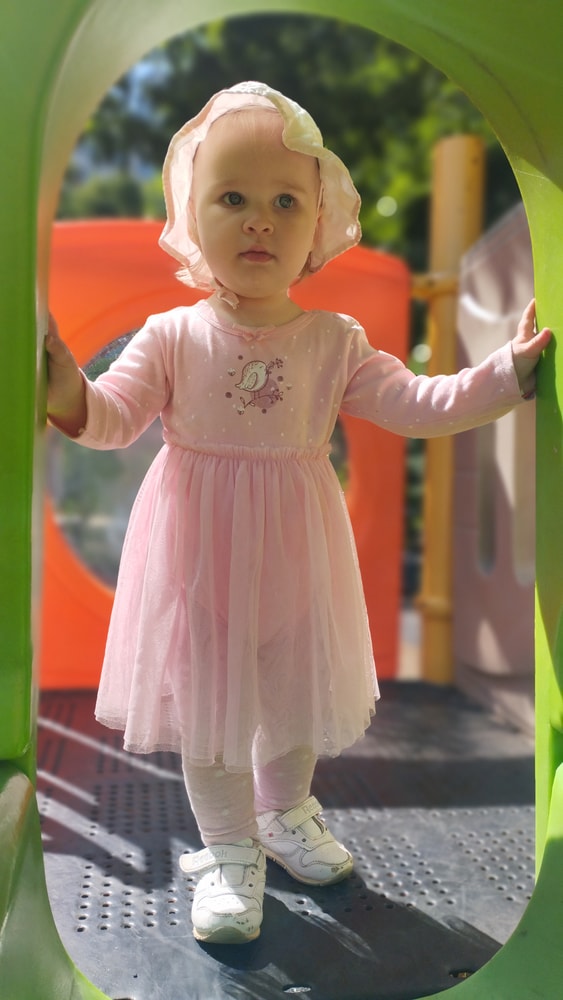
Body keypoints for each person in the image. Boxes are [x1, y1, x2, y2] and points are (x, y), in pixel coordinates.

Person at [46, 81, 551, 946]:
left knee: (289, 700)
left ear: (318, 225)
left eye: (286, 202)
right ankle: (228, 850)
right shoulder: (171, 336)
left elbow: (418, 403)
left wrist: (504, 374)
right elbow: (109, 417)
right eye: (232, 198)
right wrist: (63, 388)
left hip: (295, 561)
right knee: (210, 716)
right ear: (192, 217)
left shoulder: (333, 342)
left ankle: (282, 814)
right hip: (197, 564)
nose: (260, 221)